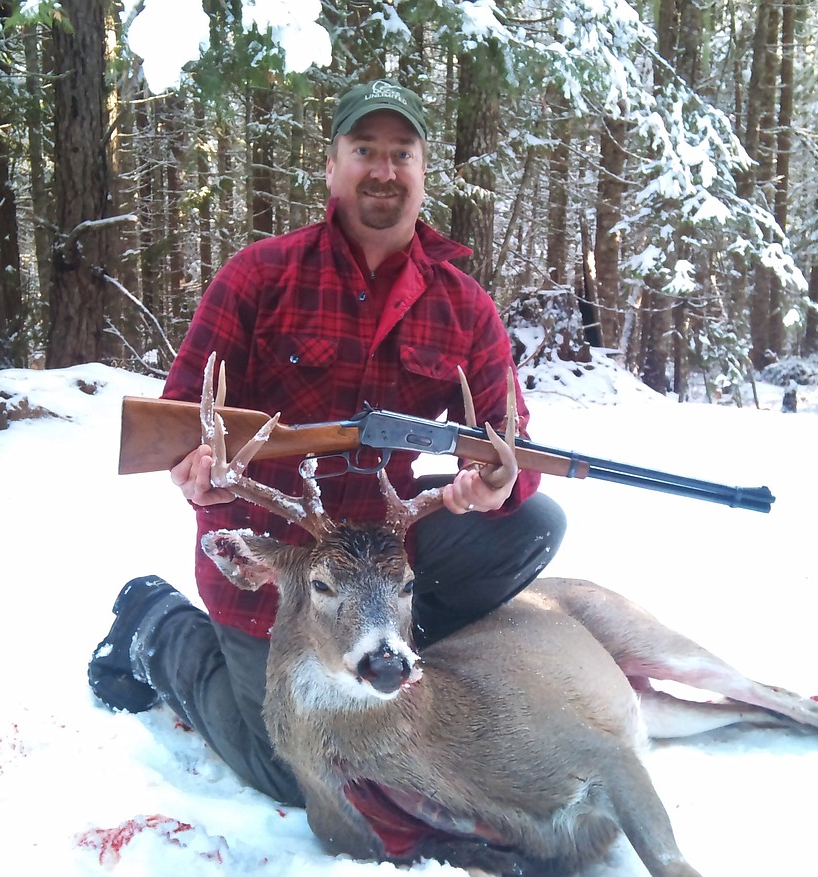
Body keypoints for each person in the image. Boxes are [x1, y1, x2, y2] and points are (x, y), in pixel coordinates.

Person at [88, 78, 566, 807]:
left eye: (401, 152)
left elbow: (512, 442)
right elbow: (183, 415)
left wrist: (499, 481)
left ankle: (381, 638)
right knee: (290, 771)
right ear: (332, 167)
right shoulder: (260, 275)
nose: (383, 169)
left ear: (423, 171)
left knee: (535, 525)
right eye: (365, 150)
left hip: (381, 550)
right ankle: (157, 626)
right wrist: (197, 469)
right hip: (273, 564)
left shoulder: (463, 305)